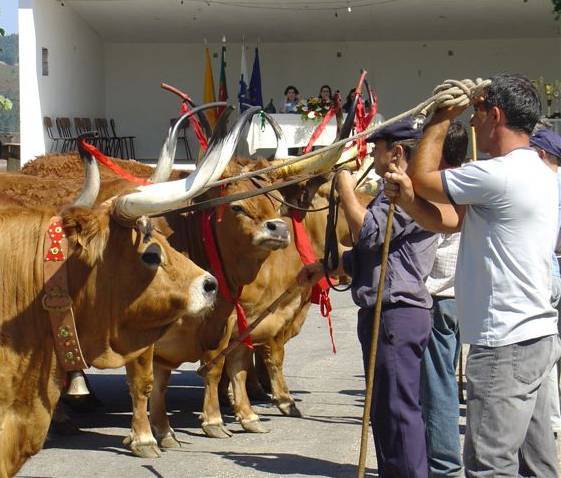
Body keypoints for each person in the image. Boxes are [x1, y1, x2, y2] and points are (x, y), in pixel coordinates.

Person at [384, 73, 561, 476]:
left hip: (505, 344)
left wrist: (442, 117)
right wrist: (411, 202)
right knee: (537, 466)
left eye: (477, 113)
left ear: (494, 114)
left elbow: (422, 176)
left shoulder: (499, 174)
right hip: (534, 337)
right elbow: (452, 221)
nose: (473, 122)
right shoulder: (535, 170)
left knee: (488, 465)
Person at [300, 116, 438, 476]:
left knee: (398, 411)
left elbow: (367, 233)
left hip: (397, 312)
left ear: (395, 153)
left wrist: (344, 183)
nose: (371, 155)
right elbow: (375, 254)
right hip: (385, 312)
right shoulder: (389, 191)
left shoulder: (409, 194)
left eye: (376, 148)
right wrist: (326, 267)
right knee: (384, 412)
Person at [420, 121, 468, 478]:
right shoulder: (470, 179)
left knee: (438, 388)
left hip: (438, 296)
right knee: (444, 381)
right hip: (459, 297)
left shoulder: (439, 187)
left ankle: (444, 466)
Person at [529, 126, 561, 439]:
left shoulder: (544, 183)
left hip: (547, 273)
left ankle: (550, 420)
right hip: (552, 271)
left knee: (547, 355)